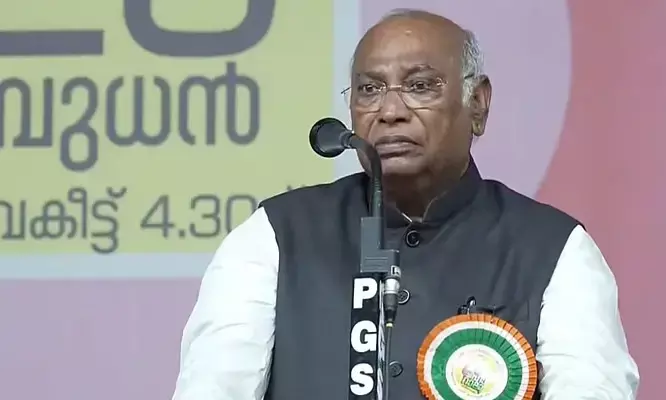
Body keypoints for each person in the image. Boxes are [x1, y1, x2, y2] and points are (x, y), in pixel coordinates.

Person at [172, 9, 639, 400]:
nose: (390, 111)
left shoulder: (553, 249)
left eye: (420, 86)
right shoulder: (275, 236)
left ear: (477, 104)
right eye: (369, 89)